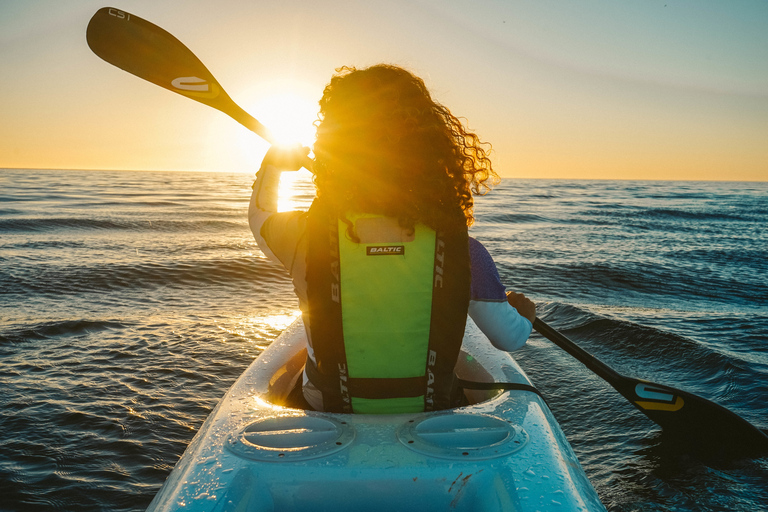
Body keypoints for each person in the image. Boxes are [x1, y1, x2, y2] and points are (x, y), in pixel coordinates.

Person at [249, 64, 535, 414]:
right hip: (431, 414)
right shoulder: (464, 251)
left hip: (327, 410)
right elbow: (509, 338)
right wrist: (524, 314)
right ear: (429, 152)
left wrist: (273, 163)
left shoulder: (302, 237)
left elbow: (260, 218)